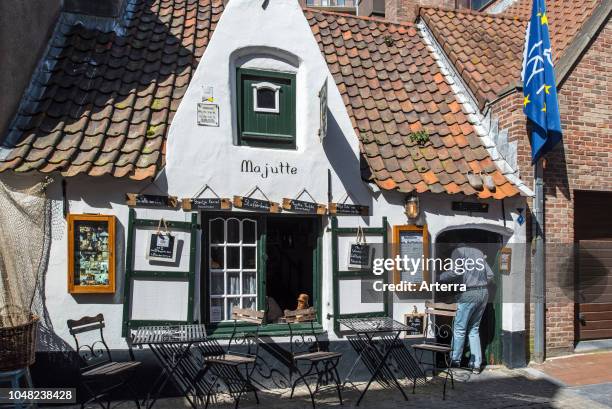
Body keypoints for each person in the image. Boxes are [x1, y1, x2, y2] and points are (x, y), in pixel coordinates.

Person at [439, 243, 494, 374]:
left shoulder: (457, 252)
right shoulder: (479, 252)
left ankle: (454, 361)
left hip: (469, 293)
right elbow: (491, 275)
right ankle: (475, 364)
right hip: (483, 293)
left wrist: (438, 277)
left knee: (459, 328)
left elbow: (454, 272)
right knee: (474, 329)